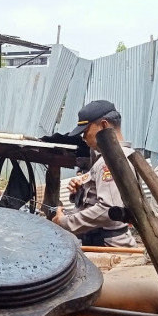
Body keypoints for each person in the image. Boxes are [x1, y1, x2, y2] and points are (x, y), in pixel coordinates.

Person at [52, 100, 136, 247]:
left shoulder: (110, 161)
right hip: (102, 241)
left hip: (106, 245)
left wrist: (65, 222)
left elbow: (108, 209)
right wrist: (80, 191)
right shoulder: (123, 155)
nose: (84, 139)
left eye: (85, 133)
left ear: (104, 125)